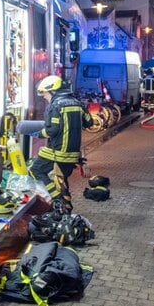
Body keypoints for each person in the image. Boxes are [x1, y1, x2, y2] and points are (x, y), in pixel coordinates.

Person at [28, 75, 93, 212]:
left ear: (52, 91)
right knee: (61, 180)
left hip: (59, 152)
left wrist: (37, 134)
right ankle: (65, 207)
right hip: (73, 153)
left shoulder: (55, 106)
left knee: (35, 170)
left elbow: (53, 130)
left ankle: (58, 200)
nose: (44, 97)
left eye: (44, 94)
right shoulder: (77, 103)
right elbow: (89, 122)